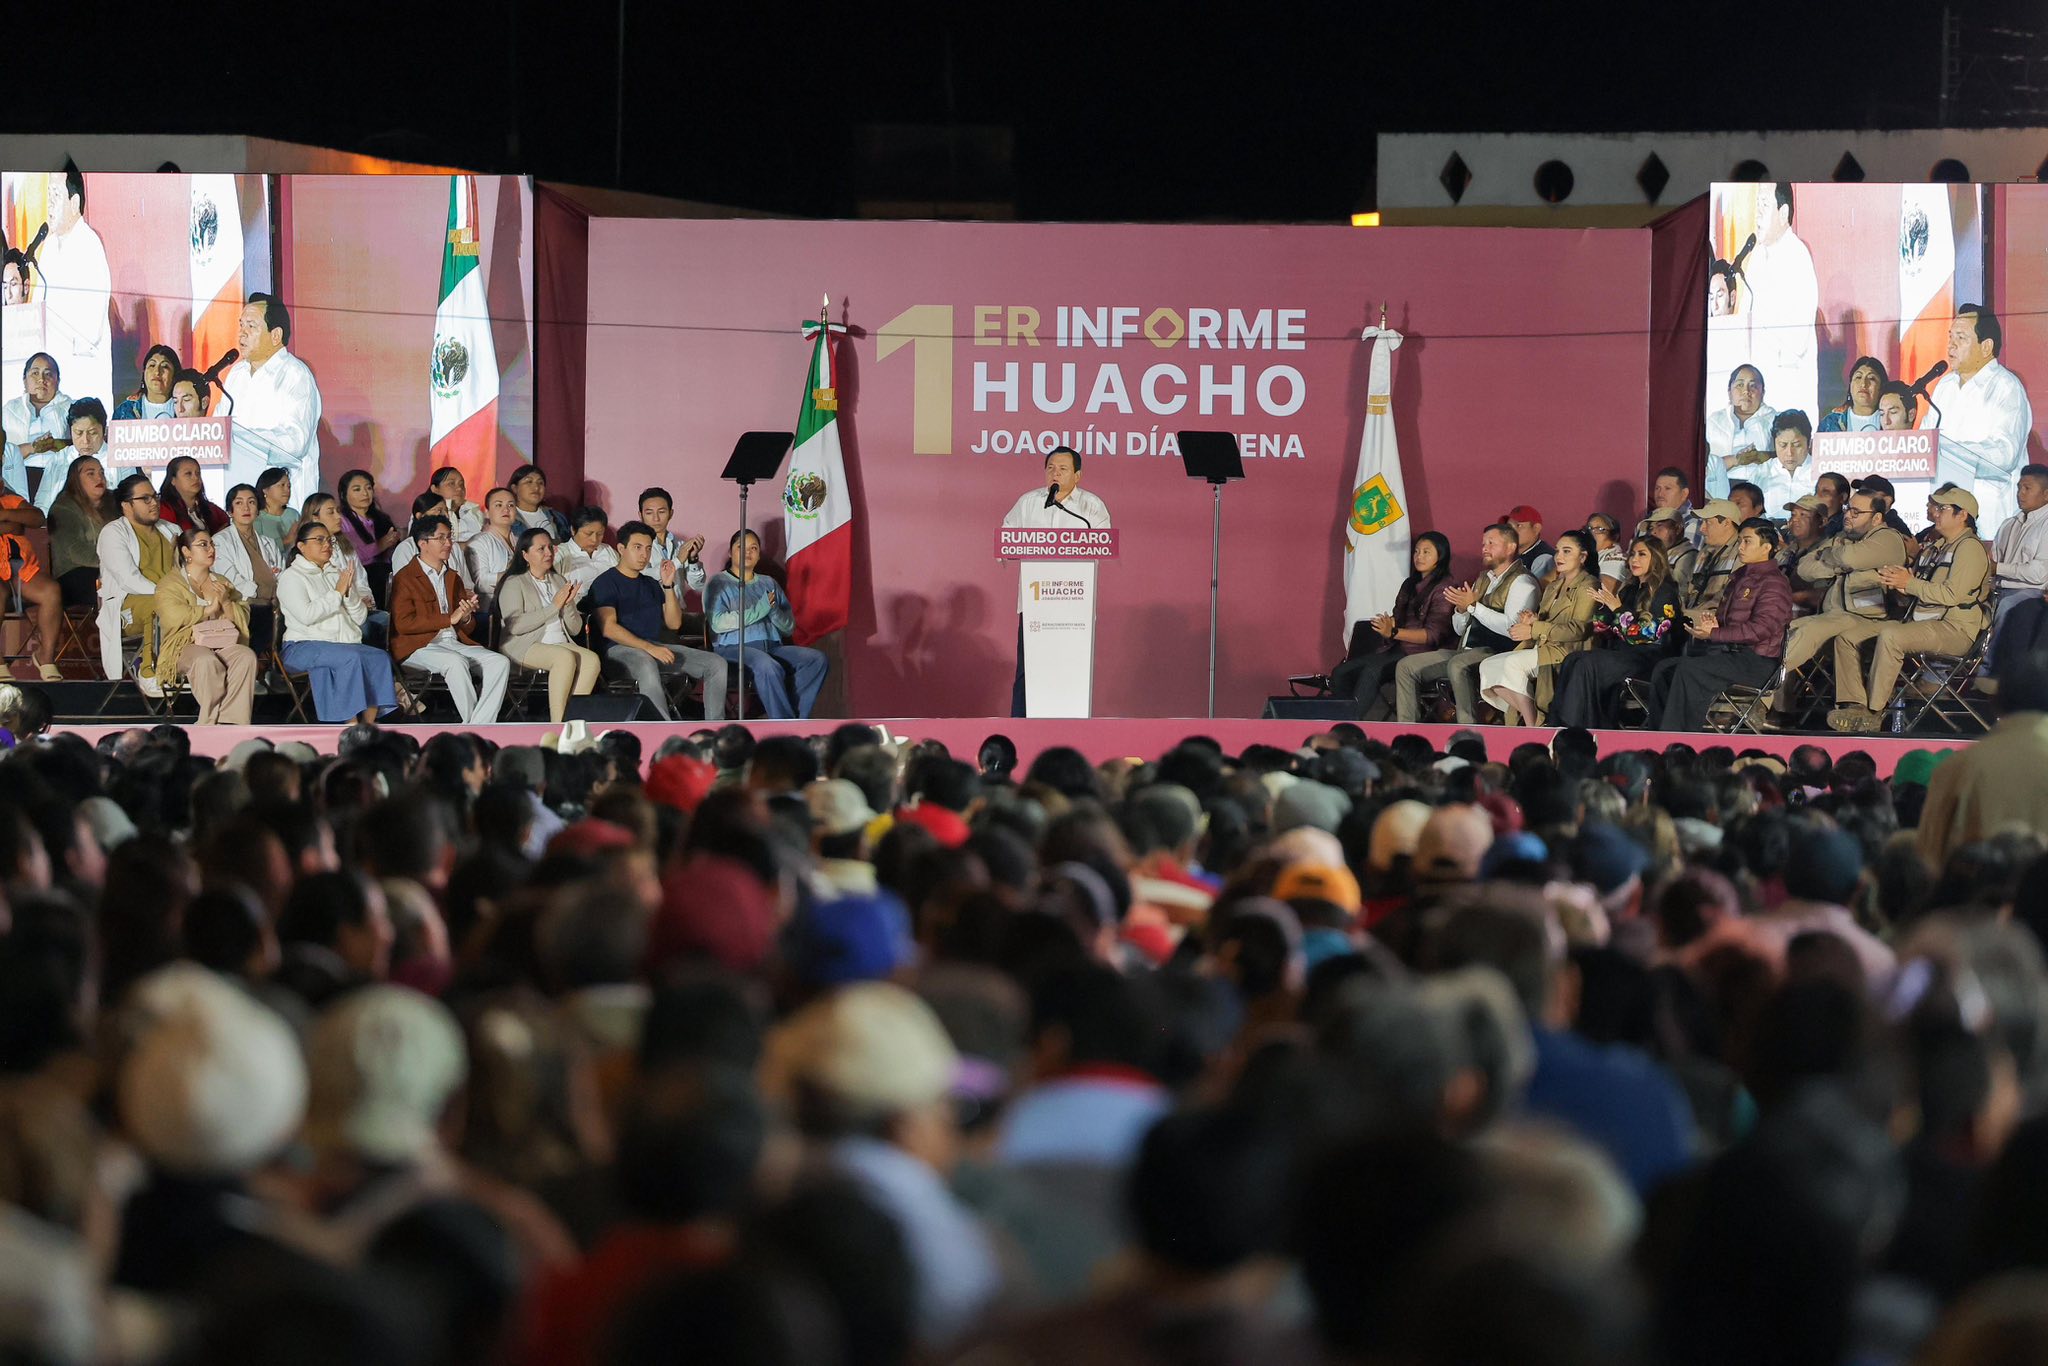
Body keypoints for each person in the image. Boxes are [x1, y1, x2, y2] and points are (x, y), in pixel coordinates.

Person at [1826, 488, 1991, 732]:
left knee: (1891, 636)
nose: (1935, 513)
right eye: (1936, 507)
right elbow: (1917, 591)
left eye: (1942, 508)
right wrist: (1897, 584)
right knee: (1848, 637)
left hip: (1955, 629)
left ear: (1962, 515)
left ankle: (1874, 712)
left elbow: (1952, 595)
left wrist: (1910, 583)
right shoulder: (1935, 547)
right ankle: (1854, 706)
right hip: (1919, 622)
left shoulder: (1969, 548)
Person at [1647, 517, 1794, 731]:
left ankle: (1679, 739)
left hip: (1757, 661)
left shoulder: (1774, 582)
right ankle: (1658, 734)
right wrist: (1714, 625)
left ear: (1767, 547)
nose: (1740, 547)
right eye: (1740, 541)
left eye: (1747, 541)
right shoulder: (1740, 576)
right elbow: (1730, 622)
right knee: (1665, 668)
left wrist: (1715, 634)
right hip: (1728, 654)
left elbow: (1762, 629)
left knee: (1690, 670)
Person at [1002, 446, 1113, 715]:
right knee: (1028, 671)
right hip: (1035, 604)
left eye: (1063, 469)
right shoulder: (1028, 503)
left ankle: (1071, 727)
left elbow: (1105, 544)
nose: (1055, 473)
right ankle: (1021, 728)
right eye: (1050, 468)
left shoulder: (1091, 507)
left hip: (1075, 605)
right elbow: (1005, 540)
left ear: (1077, 475)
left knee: (1071, 670)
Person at [1395, 522, 1538, 724]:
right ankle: (1407, 730)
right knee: (1406, 667)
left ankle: (1468, 729)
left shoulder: (1522, 582)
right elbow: (1459, 628)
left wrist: (1474, 607)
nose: (1485, 548)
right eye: (1483, 543)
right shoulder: (1484, 578)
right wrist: (1462, 611)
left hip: (1497, 652)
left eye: (1491, 543)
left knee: (1458, 665)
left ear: (1510, 547)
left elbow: (1512, 629)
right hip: (1465, 650)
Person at [589, 521, 728, 721]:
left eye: (648, 548)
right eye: (637, 547)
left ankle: (716, 728)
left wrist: (668, 585)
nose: (644, 554)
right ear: (621, 549)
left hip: (654, 647)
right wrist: (649, 648)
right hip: (618, 652)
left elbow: (674, 624)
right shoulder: (605, 582)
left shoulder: (651, 584)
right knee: (646, 662)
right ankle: (661, 728)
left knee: (716, 664)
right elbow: (609, 628)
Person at [1922, 304, 2035, 530]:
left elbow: (2004, 455)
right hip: (1945, 518)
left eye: (1961, 337)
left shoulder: (2006, 387)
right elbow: (1925, 444)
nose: (1951, 344)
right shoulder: (1945, 386)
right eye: (1950, 336)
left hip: (1989, 520)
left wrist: (1946, 450)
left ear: (1986, 347)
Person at [1550, 536, 1681, 728]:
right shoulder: (1630, 590)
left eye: (1642, 554)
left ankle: (1576, 728)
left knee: (1587, 664)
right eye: (1632, 554)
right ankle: (1557, 724)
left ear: (1656, 558)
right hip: (1622, 654)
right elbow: (1605, 628)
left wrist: (1617, 608)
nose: (1634, 559)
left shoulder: (1665, 592)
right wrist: (1603, 608)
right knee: (1572, 659)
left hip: (1650, 660)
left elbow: (1644, 634)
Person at [390, 514, 508, 726]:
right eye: (441, 538)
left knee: (499, 662)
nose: (448, 543)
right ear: (423, 543)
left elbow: (465, 626)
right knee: (455, 662)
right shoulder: (405, 577)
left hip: (451, 642)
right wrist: (449, 619)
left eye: (449, 537)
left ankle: (477, 725)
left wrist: (466, 616)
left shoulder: (452, 576)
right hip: (418, 646)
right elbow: (403, 623)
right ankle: (477, 728)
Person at [277, 521, 397, 724]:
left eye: (329, 540)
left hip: (341, 644)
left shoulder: (336, 574)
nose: (327, 545)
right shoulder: (291, 577)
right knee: (349, 658)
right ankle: (350, 723)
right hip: (302, 645)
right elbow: (307, 615)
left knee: (379, 657)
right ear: (301, 546)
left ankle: (368, 724)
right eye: (319, 540)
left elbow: (360, 618)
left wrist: (348, 595)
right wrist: (337, 594)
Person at [1329, 531, 1456, 719]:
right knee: (1341, 672)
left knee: (1372, 671)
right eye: (1416, 551)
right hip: (1397, 649)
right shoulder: (1409, 584)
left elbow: (1432, 636)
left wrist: (1394, 631)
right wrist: (1386, 624)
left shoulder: (1445, 588)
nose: (1419, 556)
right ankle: (1340, 718)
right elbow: (1398, 617)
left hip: (1423, 654)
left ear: (1441, 555)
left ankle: (1352, 723)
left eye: (1426, 552)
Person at [1478, 528, 1598, 725]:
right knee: (1488, 666)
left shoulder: (1588, 585)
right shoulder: (1553, 586)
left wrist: (1534, 629)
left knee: (1512, 664)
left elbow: (1578, 629)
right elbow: (1544, 621)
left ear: (1583, 556)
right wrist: (1532, 620)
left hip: (1566, 651)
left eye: (1567, 551)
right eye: (1557, 551)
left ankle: (1532, 723)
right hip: (1541, 646)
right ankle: (1531, 717)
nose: (1559, 556)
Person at [707, 530, 829, 720]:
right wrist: (760, 609)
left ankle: (794, 719)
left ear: (758, 555)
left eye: (753, 548)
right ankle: (783, 723)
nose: (748, 552)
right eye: (741, 547)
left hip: (772, 646)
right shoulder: (718, 582)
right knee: (767, 665)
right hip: (733, 648)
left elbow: (788, 627)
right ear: (731, 553)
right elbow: (718, 623)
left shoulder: (769, 583)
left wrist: (773, 612)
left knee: (816, 659)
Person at [221, 293, 324, 497]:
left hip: (285, 501)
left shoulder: (296, 375)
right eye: (241, 325)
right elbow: (220, 430)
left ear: (275, 335)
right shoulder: (236, 374)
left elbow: (295, 443)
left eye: (251, 326)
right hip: (241, 496)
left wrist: (238, 437)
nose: (242, 333)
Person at [496, 527, 600, 723]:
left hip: (559, 643)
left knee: (591, 660)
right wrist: (554, 606)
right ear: (525, 555)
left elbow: (575, 629)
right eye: (541, 549)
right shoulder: (514, 582)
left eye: (550, 548)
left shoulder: (558, 579)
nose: (548, 553)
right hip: (525, 645)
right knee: (564, 658)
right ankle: (558, 723)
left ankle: (573, 719)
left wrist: (568, 604)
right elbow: (515, 626)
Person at [153, 529, 257, 725]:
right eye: (203, 545)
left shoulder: (222, 582)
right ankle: (209, 721)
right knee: (206, 660)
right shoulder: (171, 583)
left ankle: (231, 722)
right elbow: (171, 616)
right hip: (185, 646)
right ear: (186, 551)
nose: (211, 549)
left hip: (222, 643)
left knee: (245, 656)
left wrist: (226, 602)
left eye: (212, 545)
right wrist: (207, 610)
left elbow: (242, 615)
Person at [35, 170, 113, 411]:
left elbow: (90, 329)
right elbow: (37, 309)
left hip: (81, 377)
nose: (49, 204)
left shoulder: (89, 245)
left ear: (75, 202)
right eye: (48, 195)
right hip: (52, 379)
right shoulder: (48, 247)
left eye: (56, 195)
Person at [1743, 182, 1819, 425]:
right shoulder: (1756, 256)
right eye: (1757, 205)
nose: (1758, 214)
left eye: (1765, 205)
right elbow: (1745, 316)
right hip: (1758, 386)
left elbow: (1797, 338)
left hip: (1788, 386)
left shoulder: (1797, 256)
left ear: (1783, 213)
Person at [95, 473, 180, 686]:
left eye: (155, 496)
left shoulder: (172, 530)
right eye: (145, 498)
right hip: (128, 605)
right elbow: (128, 580)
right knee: (159, 606)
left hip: (172, 599)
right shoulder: (113, 533)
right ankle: (148, 671)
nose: (154, 503)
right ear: (126, 505)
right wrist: (170, 595)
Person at [1981, 464, 2048, 692]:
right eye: (2019, 487)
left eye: (2027, 488)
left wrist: (1998, 568)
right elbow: (1992, 562)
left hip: (2032, 593)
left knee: (2009, 606)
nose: (2020, 493)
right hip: (1998, 589)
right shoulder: (2008, 524)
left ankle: (1991, 675)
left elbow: (2039, 573)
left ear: (2046, 494)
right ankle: (1938, 674)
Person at [0, 477, 62, 682]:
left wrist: (5, 515)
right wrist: (12, 525)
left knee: (51, 591)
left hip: (21, 570)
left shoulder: (11, 501)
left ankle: (45, 657)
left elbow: (37, 518)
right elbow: (14, 528)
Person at [2, 357, 73, 515]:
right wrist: (31, 448)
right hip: (17, 476)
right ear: (24, 380)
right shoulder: (9, 410)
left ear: (58, 380)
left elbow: (84, 444)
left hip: (59, 475)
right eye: (35, 373)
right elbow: (4, 453)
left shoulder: (70, 407)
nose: (41, 379)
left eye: (48, 374)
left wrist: (55, 444)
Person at [46, 455, 112, 608]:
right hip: (74, 574)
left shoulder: (112, 502)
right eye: (91, 473)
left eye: (101, 473)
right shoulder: (63, 508)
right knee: (116, 585)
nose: (99, 478)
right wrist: (116, 561)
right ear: (75, 479)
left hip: (111, 568)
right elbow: (76, 552)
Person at [1704, 364, 1777, 500]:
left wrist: (1761, 456)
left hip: (1764, 490)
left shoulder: (1775, 419)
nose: (1746, 391)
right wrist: (1736, 460)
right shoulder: (1714, 422)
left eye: (1753, 386)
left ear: (1763, 392)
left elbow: (1788, 457)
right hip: (1720, 490)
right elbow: (1705, 464)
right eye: (1740, 385)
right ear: (1729, 391)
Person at [336, 469, 402, 606]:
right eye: (357, 489)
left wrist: (393, 542)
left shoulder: (382, 519)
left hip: (387, 577)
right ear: (343, 494)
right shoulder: (341, 521)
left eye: (368, 488)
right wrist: (380, 545)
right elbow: (351, 555)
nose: (365, 493)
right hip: (359, 580)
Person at [640, 487, 709, 609]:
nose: (656, 518)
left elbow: (698, 586)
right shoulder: (637, 545)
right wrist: (678, 560)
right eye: (649, 513)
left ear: (671, 513)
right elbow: (642, 577)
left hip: (678, 611)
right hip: (650, 612)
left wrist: (693, 559)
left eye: (661, 512)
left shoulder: (680, 545)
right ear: (640, 515)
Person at [1752, 410, 1816, 511]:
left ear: (1809, 443)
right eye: (1783, 445)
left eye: (1796, 445)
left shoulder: (1821, 471)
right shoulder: (1763, 472)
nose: (1789, 453)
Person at [466, 486, 518, 597]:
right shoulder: (478, 542)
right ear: (487, 512)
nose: (506, 510)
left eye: (511, 505)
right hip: (491, 604)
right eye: (499, 505)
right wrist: (514, 573)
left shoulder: (520, 540)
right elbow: (480, 582)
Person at [157, 456, 228, 535]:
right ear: (173, 480)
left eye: (198, 473)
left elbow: (227, 525)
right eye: (188, 474)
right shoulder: (164, 509)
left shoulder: (211, 509)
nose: (196, 478)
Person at [556, 507, 620, 593]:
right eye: (588, 534)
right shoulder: (560, 554)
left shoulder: (608, 551)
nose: (594, 539)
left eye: (600, 534)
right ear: (573, 530)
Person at [112, 344, 182, 423]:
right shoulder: (124, 411)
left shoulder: (184, 409)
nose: (157, 372)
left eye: (165, 366)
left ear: (174, 375)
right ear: (144, 373)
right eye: (152, 365)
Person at [1817, 356, 1888, 433]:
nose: (1863, 384)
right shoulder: (1830, 423)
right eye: (1858, 377)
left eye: (1871, 378)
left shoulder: (1890, 423)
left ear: (1881, 388)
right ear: (1850, 385)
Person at [1639, 466, 1704, 548]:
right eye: (1657, 488)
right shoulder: (1647, 520)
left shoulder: (1693, 522)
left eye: (1667, 488)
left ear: (1684, 493)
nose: (1660, 494)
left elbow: (1687, 554)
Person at [507, 463, 571, 543]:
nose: (536, 487)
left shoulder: (557, 517)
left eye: (540, 483)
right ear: (514, 488)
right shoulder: (507, 518)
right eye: (529, 482)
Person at [427, 465, 483, 545]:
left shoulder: (474, 511)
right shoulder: (426, 512)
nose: (459, 488)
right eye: (451, 483)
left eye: (461, 484)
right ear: (435, 489)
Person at [1644, 506, 1696, 585]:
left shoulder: (1687, 555)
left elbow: (1679, 589)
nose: (1653, 532)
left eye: (1659, 526)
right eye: (1651, 528)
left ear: (1677, 528)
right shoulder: (1653, 552)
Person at [1501, 505, 1556, 581]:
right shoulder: (1510, 554)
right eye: (1509, 527)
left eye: (1519, 525)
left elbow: (1535, 588)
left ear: (1536, 528)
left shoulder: (1543, 558)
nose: (1512, 531)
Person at [253, 468, 298, 557]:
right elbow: (257, 550)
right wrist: (286, 540)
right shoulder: (256, 518)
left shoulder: (294, 515)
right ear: (265, 489)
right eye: (282, 485)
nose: (287, 490)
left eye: (289, 486)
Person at [1586, 513, 1625, 588]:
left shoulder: (1616, 558)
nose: (1592, 533)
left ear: (1614, 535)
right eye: (1589, 528)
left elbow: (1604, 589)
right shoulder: (1590, 555)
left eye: (1599, 529)